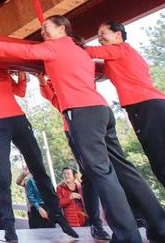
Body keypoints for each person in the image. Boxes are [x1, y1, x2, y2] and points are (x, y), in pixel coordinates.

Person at [0, 15, 165, 243]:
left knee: (102, 174)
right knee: (125, 171)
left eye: (46, 26)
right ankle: (162, 229)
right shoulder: (80, 50)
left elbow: (26, 53)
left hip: (81, 113)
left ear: (61, 28)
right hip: (102, 110)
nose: (42, 31)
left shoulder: (54, 47)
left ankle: (127, 236)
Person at [86, 20, 165, 239]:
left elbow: (87, 51)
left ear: (118, 34)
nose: (100, 37)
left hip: (147, 108)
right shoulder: (130, 54)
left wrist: (67, 47)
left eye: (103, 33)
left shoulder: (117, 49)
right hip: (164, 105)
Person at [0, 64, 77, 243]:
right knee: (3, 176)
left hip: (18, 119)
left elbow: (19, 91)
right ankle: (9, 227)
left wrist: (21, 73)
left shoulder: (1, 71)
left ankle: (58, 215)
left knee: (39, 168)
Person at [38, 73, 110, 240]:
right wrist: (42, 81)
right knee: (90, 176)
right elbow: (49, 93)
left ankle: (132, 219)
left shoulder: (80, 85)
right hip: (73, 130)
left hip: (96, 125)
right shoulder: (60, 96)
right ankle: (96, 224)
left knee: (108, 174)